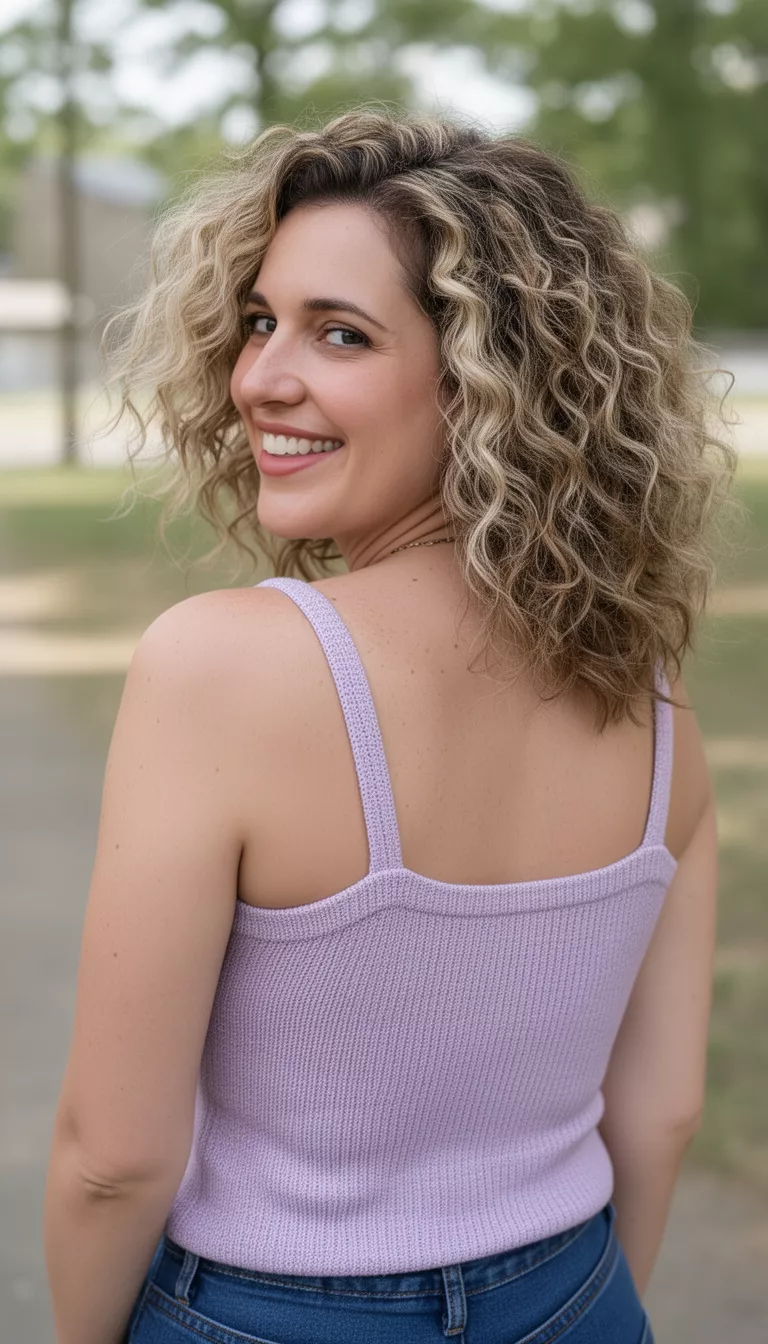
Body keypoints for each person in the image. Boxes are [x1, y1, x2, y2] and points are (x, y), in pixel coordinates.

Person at [44, 106, 736, 1344]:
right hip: (577, 1294)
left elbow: (114, 1158)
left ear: (487, 385)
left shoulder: (228, 665)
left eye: (340, 333)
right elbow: (661, 1112)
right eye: (261, 320)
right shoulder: (656, 698)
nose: (260, 376)